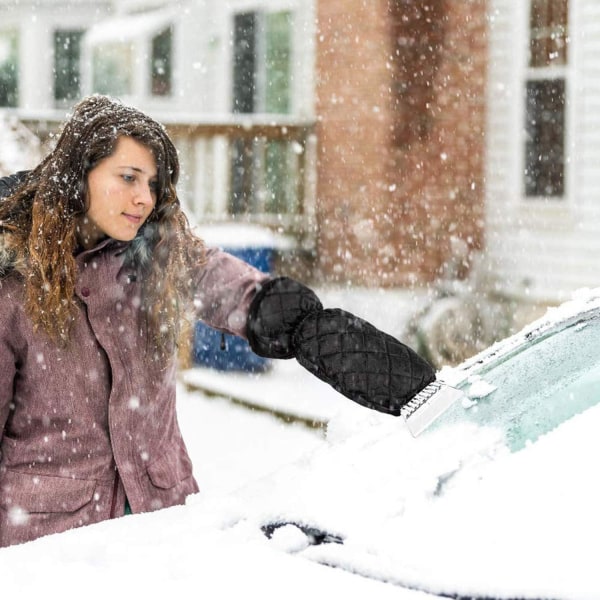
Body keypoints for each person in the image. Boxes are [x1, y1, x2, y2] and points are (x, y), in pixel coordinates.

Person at [0, 94, 436, 548]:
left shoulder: (154, 260)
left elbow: (223, 282)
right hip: (50, 547)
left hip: (164, 527)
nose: (143, 198)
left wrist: (301, 324)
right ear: (77, 177)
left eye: (152, 184)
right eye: (128, 178)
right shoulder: (12, 288)